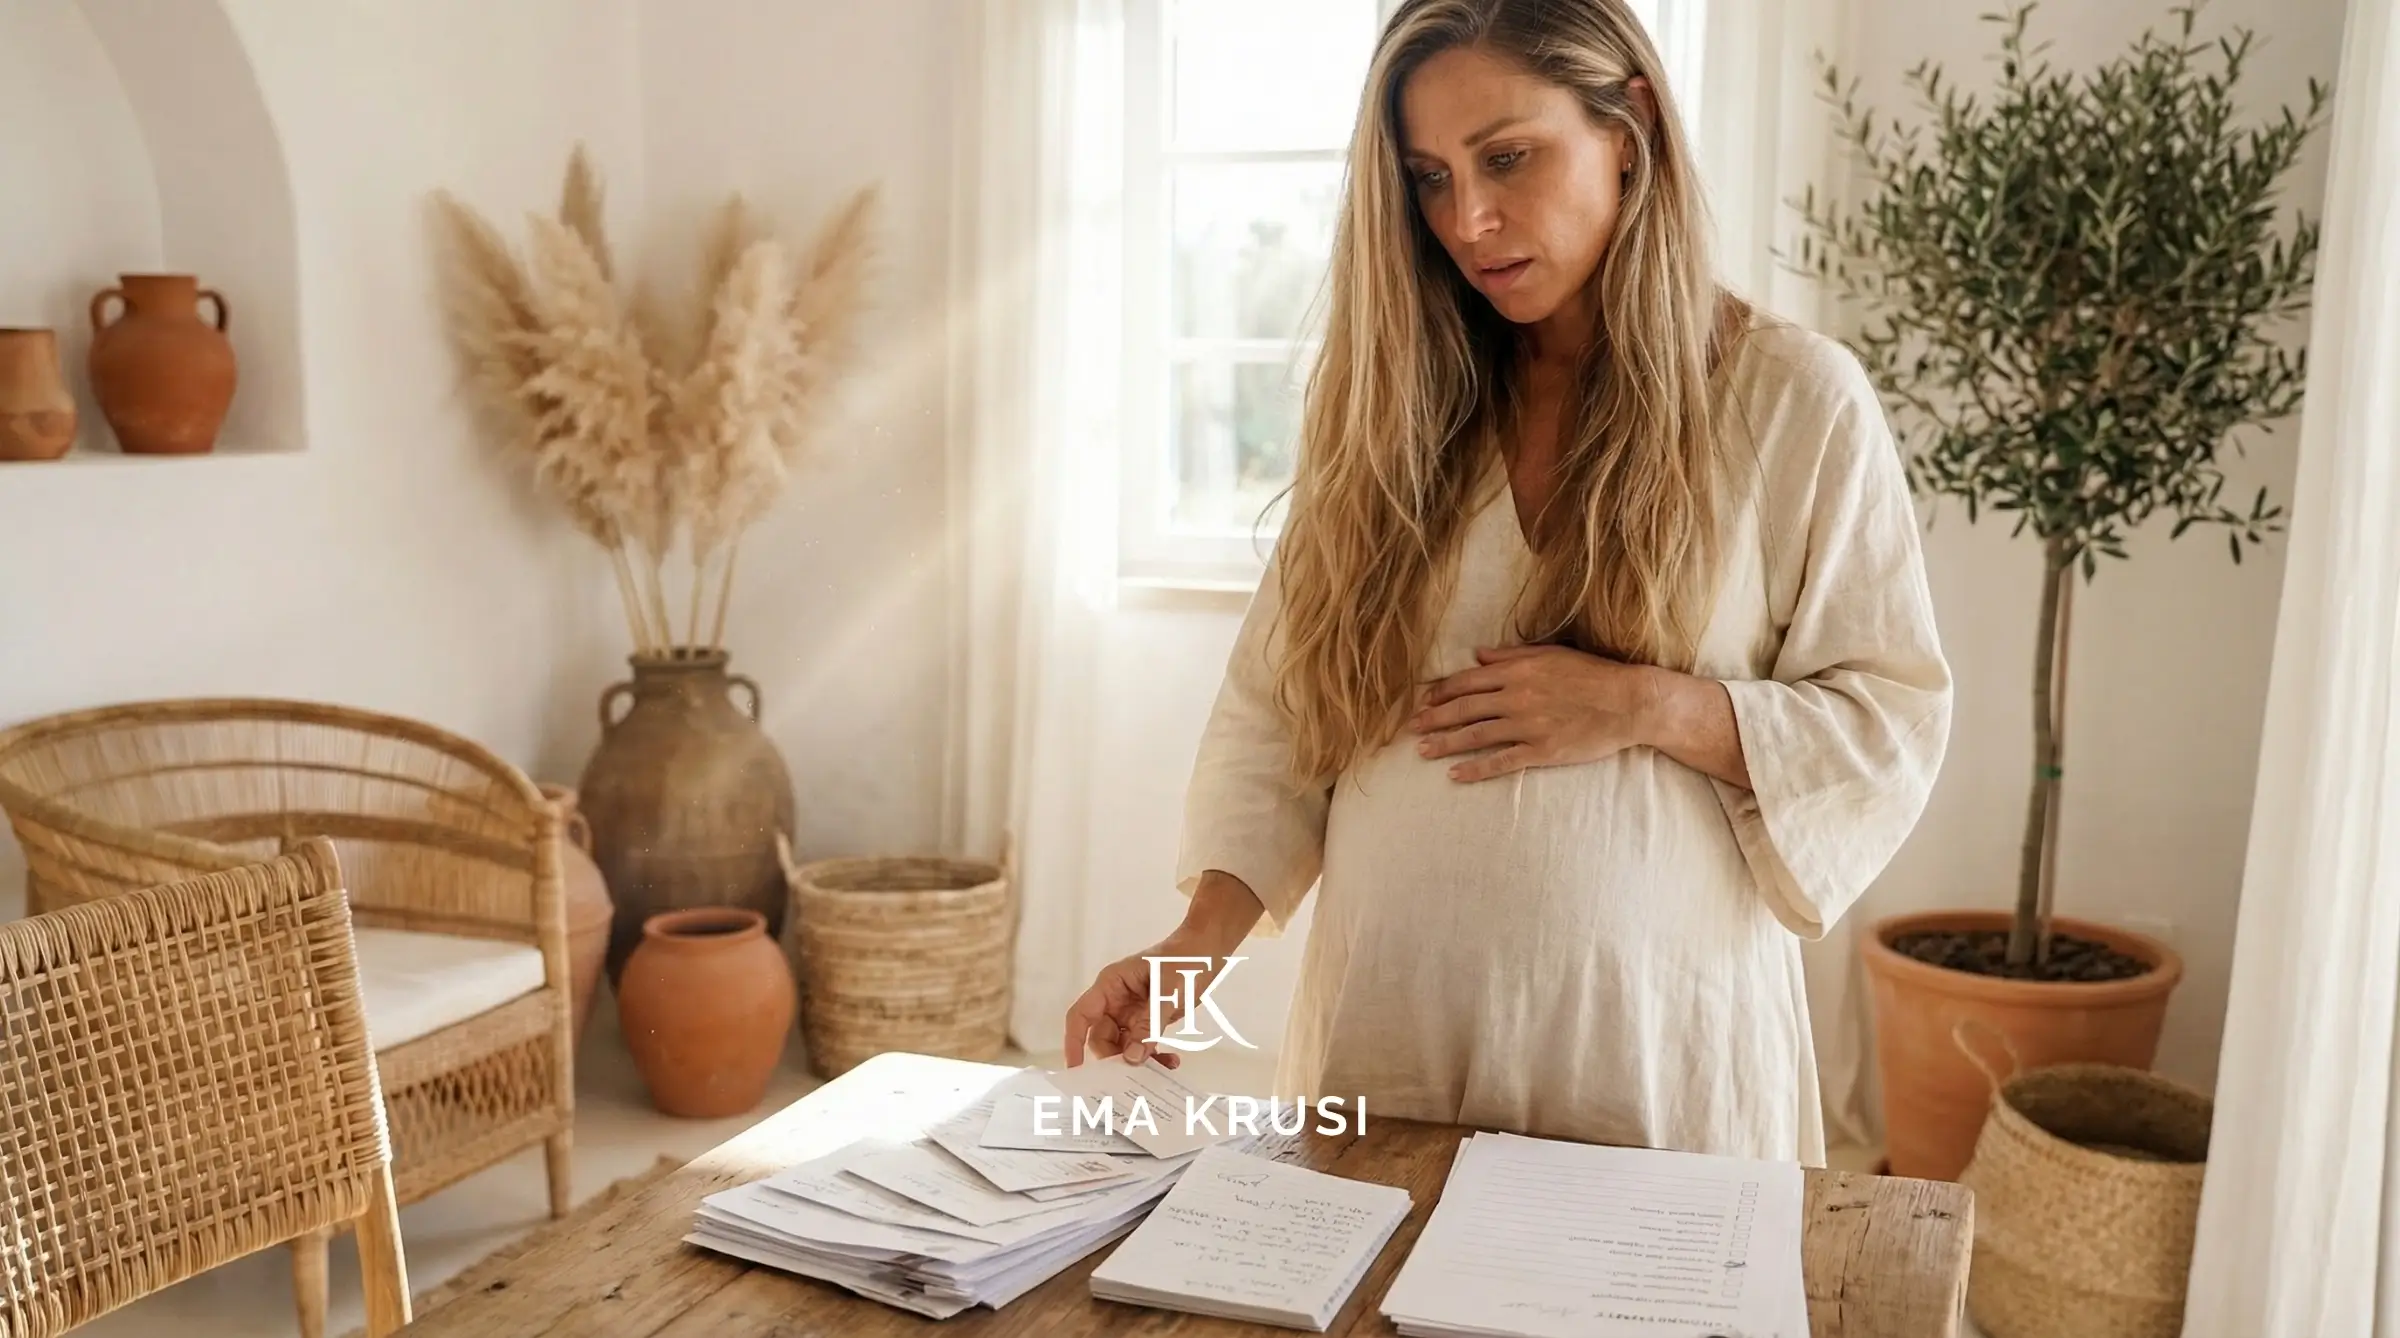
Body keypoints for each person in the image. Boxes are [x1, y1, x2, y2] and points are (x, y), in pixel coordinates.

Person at [1062, 0, 1950, 1165]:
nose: (1467, 220)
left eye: (1508, 158)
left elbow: (1887, 721)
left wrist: (1645, 705)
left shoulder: (1793, 401)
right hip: (1387, 1032)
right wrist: (1193, 948)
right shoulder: (1393, 408)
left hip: (1655, 1055)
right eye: (1429, 178)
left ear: (1629, 126)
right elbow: (1283, 707)